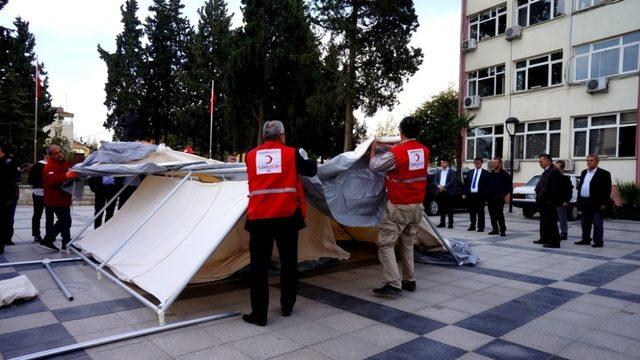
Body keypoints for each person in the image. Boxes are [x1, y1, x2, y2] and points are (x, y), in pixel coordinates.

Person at [243, 120, 317, 326]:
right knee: (288, 263)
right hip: (286, 217)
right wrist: (304, 155)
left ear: (264, 136)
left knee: (258, 267)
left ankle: (259, 315)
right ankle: (287, 306)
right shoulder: (292, 154)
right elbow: (311, 170)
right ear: (282, 136)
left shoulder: (250, 155)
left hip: (259, 218)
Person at [369, 116, 430, 296]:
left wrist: (372, 149)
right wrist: (393, 149)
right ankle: (409, 280)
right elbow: (408, 159)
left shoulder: (397, 153)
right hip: (417, 206)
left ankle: (394, 284)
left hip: (399, 206)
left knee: (385, 243)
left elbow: (374, 166)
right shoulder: (423, 150)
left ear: (401, 131)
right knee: (407, 243)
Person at [39, 145, 77, 251]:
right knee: (65, 221)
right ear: (51, 155)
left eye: (60, 152)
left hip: (64, 198)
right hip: (55, 200)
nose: (60, 154)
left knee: (65, 221)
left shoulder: (65, 163)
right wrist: (66, 176)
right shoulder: (49, 166)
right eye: (56, 153)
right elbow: (51, 180)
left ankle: (62, 243)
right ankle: (52, 241)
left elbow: (70, 173)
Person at [575, 155, 611, 248]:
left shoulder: (604, 173)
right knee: (585, 222)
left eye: (591, 160)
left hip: (597, 203)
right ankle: (585, 239)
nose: (588, 162)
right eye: (587, 160)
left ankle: (598, 241)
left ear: (597, 162)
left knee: (597, 223)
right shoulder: (584, 172)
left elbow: (607, 190)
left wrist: (604, 203)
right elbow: (581, 187)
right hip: (584, 202)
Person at [533, 154, 562, 248]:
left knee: (551, 222)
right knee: (544, 221)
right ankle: (544, 238)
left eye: (541, 161)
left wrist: (550, 201)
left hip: (549, 202)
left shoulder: (554, 171)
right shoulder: (547, 171)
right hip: (543, 202)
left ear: (547, 160)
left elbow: (554, 189)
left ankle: (555, 241)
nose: (539, 164)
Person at [28, 148, 54, 242]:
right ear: (44, 154)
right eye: (48, 153)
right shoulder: (37, 165)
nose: (50, 155)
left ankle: (50, 235)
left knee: (50, 215)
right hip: (39, 192)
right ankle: (36, 234)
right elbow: (30, 180)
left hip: (50, 193)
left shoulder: (53, 165)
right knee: (37, 214)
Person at [0, 142, 19, 253]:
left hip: (6, 196)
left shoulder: (10, 161)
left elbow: (14, 179)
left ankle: (4, 242)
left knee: (5, 220)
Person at [487, 157, 511, 236]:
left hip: (500, 198)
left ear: (500, 164)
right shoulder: (491, 174)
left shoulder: (505, 174)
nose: (493, 164)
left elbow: (509, 187)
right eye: (493, 163)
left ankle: (502, 230)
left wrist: (505, 196)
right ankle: (495, 229)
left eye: (495, 163)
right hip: (490, 198)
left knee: (499, 214)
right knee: (492, 214)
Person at [463, 157, 489, 232]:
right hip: (471, 195)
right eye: (475, 163)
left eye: (478, 163)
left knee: (480, 211)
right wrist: (465, 193)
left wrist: (485, 195)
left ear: (481, 163)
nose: (476, 164)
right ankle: (472, 225)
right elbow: (466, 184)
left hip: (480, 195)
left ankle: (481, 227)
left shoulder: (485, 173)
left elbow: (487, 186)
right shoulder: (470, 172)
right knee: (472, 211)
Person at [433, 159, 456, 228]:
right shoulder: (438, 172)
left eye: (444, 163)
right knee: (441, 208)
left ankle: (450, 223)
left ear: (447, 163)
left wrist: (444, 187)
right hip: (440, 192)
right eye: (441, 163)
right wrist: (439, 186)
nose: (443, 164)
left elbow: (451, 181)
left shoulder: (451, 172)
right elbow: (435, 181)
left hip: (448, 192)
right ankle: (442, 223)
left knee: (449, 209)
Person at [555, 160, 573, 240]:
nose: (556, 170)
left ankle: (564, 233)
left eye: (558, 168)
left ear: (562, 169)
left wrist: (567, 201)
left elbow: (569, 191)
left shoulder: (565, 179)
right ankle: (554, 233)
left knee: (562, 218)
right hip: (553, 202)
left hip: (561, 202)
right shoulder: (552, 178)